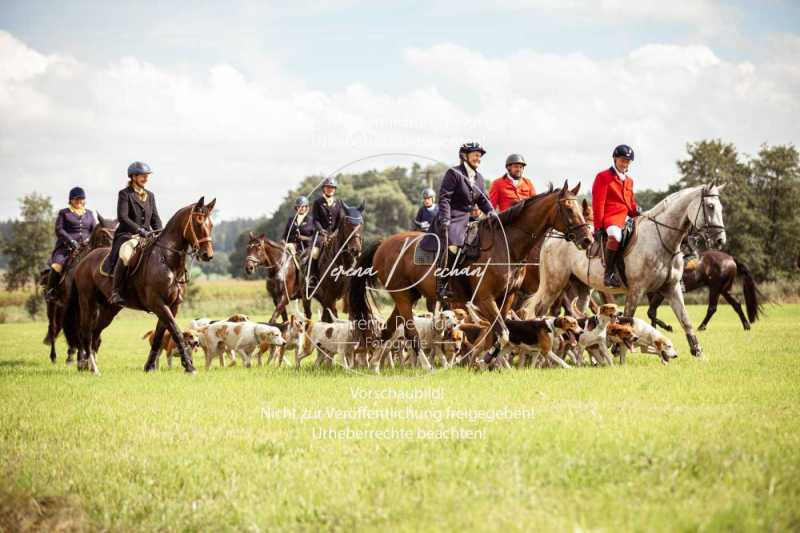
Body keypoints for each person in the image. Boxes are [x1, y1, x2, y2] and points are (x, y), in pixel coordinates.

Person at [435, 142, 495, 301]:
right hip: (453, 217)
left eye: (480, 155)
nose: (478, 158)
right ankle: (443, 283)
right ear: (464, 156)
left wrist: (492, 213)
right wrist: (445, 218)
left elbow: (483, 200)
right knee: (454, 245)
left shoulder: (479, 178)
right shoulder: (453, 173)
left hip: (471, 218)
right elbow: (444, 198)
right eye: (475, 154)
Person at [108, 161, 163, 306]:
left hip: (147, 236)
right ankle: (116, 292)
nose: (146, 178)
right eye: (142, 176)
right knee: (126, 255)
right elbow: (123, 217)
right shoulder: (125, 194)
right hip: (127, 235)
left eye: (147, 175)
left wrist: (160, 232)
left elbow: (155, 218)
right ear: (133, 177)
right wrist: (139, 230)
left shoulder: (150, 195)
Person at [592, 144, 640, 288]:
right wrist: (598, 226)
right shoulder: (603, 177)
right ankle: (609, 273)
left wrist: (637, 210)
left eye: (627, 161)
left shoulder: (629, 181)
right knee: (616, 236)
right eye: (622, 160)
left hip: (626, 217)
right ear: (615, 159)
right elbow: (598, 203)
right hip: (610, 217)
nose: (625, 164)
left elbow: (629, 203)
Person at [44, 187, 96, 301]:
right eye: (76, 199)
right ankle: (51, 290)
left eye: (81, 199)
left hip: (86, 248)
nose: (79, 201)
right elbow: (59, 230)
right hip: (66, 248)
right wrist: (71, 241)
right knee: (57, 266)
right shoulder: (64, 213)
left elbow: (94, 231)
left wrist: (90, 240)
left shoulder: (90, 214)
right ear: (71, 200)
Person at [308, 177, 343, 282]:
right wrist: (322, 231)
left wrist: (336, 232)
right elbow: (315, 220)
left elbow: (340, 220)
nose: (330, 189)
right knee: (314, 252)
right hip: (320, 234)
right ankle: (312, 276)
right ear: (324, 189)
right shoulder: (317, 202)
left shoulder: (339, 203)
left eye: (332, 188)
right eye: (328, 187)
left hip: (335, 234)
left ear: (335, 189)